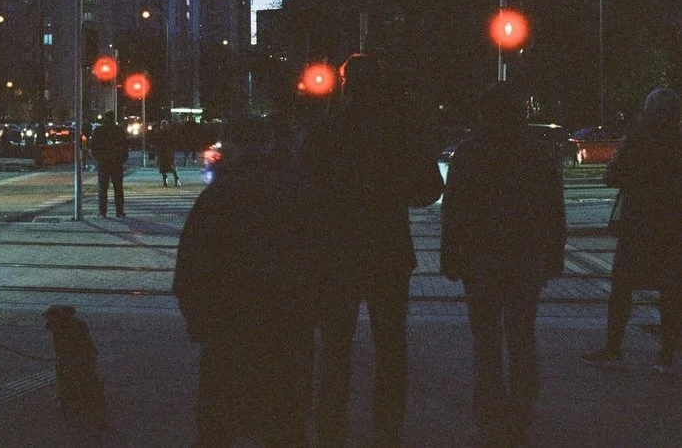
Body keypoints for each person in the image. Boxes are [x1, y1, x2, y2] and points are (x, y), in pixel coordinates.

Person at [300, 53, 443, 447]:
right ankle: (387, 433)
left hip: (339, 249)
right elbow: (430, 188)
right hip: (388, 247)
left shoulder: (329, 129)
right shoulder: (401, 130)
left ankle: (332, 432)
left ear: (346, 84)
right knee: (391, 346)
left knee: (335, 348)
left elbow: (304, 185)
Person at [174, 114, 319, 446]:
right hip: (287, 326)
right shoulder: (298, 194)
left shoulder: (217, 199)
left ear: (231, 148)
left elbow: (191, 269)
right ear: (270, 147)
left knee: (219, 425)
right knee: (285, 425)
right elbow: (322, 262)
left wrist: (199, 322)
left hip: (228, 327)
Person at [440, 81, 566, 445]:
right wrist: (554, 254)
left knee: (486, 339)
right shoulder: (539, 152)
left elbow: (455, 211)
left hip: (480, 256)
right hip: (525, 254)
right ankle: (521, 410)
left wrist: (451, 256)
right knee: (522, 333)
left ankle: (489, 411)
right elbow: (552, 208)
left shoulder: (470, 152)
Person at [582, 88, 682, 374]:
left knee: (623, 287)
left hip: (637, 222)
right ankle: (665, 355)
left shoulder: (638, 140)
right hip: (673, 225)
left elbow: (610, 175)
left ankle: (614, 348)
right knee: (671, 290)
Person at [91, 111, 129, 218]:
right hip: (116, 162)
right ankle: (119, 211)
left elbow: (93, 146)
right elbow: (125, 146)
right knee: (118, 188)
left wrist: (98, 158)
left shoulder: (99, 131)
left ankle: (103, 211)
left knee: (103, 188)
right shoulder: (119, 130)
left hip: (104, 163)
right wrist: (122, 159)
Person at [153, 119, 181, 187]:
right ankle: (176, 180)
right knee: (172, 166)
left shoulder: (159, 133)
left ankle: (165, 181)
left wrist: (156, 152)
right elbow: (174, 142)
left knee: (163, 167)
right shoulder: (170, 133)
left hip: (162, 152)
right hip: (169, 152)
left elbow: (156, 143)